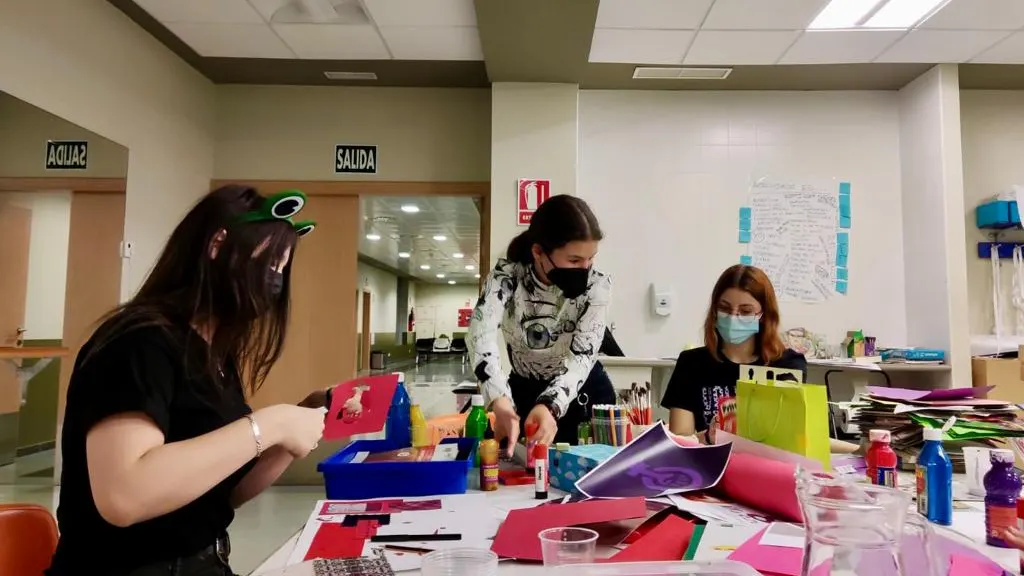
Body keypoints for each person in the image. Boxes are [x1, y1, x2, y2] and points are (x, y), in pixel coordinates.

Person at [48, 186, 331, 576]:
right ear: (217, 244)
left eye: (282, 270)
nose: (275, 281)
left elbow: (225, 491)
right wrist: (272, 424)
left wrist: (291, 433)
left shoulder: (213, 354)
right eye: (268, 265)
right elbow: (124, 494)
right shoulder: (138, 342)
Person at [468, 195, 614, 454]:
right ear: (538, 252)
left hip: (583, 392)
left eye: (591, 259)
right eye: (574, 260)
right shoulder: (507, 277)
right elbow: (481, 334)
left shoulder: (597, 286)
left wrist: (551, 404)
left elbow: (583, 358)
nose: (585, 268)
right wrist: (498, 398)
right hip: (524, 390)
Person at [661, 264, 807, 441]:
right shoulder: (692, 363)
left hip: (766, 464)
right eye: (725, 308)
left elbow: (796, 433)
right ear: (714, 310)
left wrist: (851, 449)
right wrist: (709, 435)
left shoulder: (787, 364)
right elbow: (681, 438)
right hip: (711, 463)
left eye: (745, 311)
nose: (733, 317)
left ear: (764, 315)